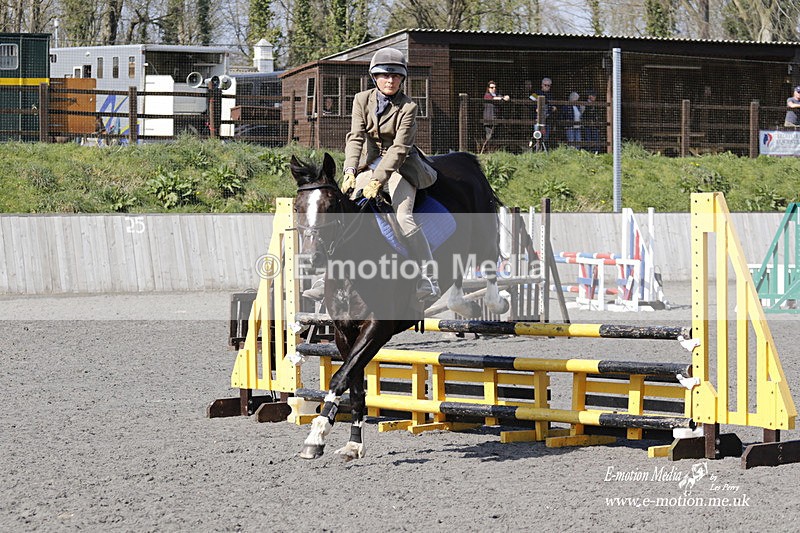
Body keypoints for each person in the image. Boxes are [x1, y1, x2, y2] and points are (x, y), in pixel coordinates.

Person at [335, 47, 441, 303]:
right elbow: (355, 137)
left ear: (402, 79)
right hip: (368, 164)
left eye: (396, 76)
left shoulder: (409, 107)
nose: (390, 80)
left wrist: (377, 180)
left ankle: (428, 276)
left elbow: (399, 149)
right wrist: (349, 170)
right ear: (374, 77)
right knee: (342, 208)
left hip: (400, 168)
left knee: (404, 218)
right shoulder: (361, 100)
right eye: (384, 75)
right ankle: (328, 274)